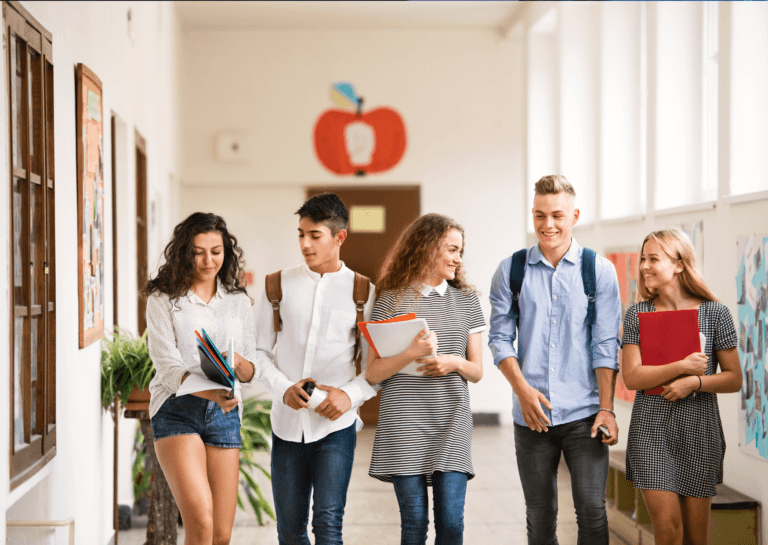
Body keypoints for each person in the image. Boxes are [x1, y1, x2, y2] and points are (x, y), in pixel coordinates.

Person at [488, 175, 622, 545]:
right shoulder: (510, 271)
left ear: (575, 215)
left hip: (585, 412)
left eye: (557, 215)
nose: (548, 224)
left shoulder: (599, 270)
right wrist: (523, 392)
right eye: (539, 214)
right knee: (540, 514)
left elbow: (606, 343)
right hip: (532, 416)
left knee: (592, 511)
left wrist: (607, 408)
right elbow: (500, 339)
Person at [254, 193, 378, 545]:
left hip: (336, 427)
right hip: (287, 426)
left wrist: (349, 397)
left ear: (340, 237)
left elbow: (374, 367)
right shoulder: (275, 285)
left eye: (314, 235)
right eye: (300, 234)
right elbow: (259, 352)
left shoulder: (364, 293)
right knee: (290, 532)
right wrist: (282, 388)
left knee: (327, 526)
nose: (304, 244)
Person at [366, 213, 486, 545]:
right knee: (415, 524)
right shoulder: (391, 299)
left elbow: (476, 372)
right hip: (404, 422)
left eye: (460, 251)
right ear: (427, 247)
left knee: (451, 522)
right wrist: (411, 353)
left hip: (452, 420)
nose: (457, 259)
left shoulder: (467, 300)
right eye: (451, 249)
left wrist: (453, 361)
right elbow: (373, 372)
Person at [620, 229, 742, 545]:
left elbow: (733, 378)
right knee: (668, 530)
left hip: (699, 430)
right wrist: (680, 368)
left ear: (678, 264)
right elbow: (632, 377)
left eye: (653, 259)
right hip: (651, 431)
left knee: (695, 538)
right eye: (643, 259)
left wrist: (695, 382)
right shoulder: (638, 314)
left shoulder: (715, 313)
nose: (644, 266)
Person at [145, 212, 258, 545]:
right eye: (198, 251)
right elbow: (167, 367)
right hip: (176, 410)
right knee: (200, 521)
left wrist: (239, 364)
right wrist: (211, 393)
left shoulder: (238, 302)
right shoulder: (163, 299)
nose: (209, 260)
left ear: (226, 251)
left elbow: (251, 368)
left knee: (221, 535)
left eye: (216, 250)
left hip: (224, 415)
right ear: (184, 253)